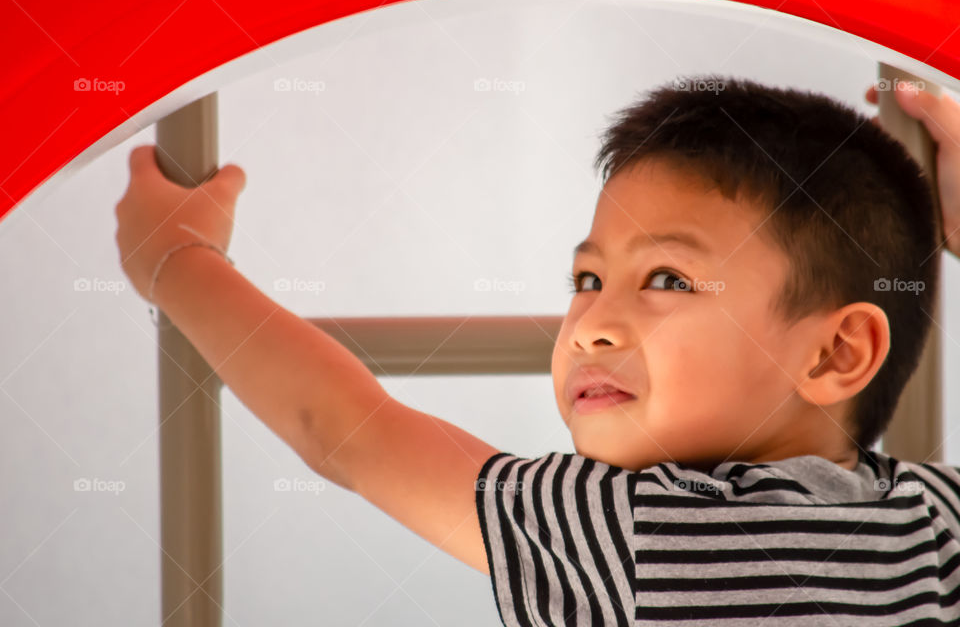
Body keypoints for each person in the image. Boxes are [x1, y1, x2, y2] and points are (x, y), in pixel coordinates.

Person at [114, 74, 960, 625]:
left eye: (666, 279)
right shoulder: (934, 523)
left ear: (836, 352)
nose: (589, 323)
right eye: (586, 279)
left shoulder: (632, 529)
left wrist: (178, 263)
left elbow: (346, 428)